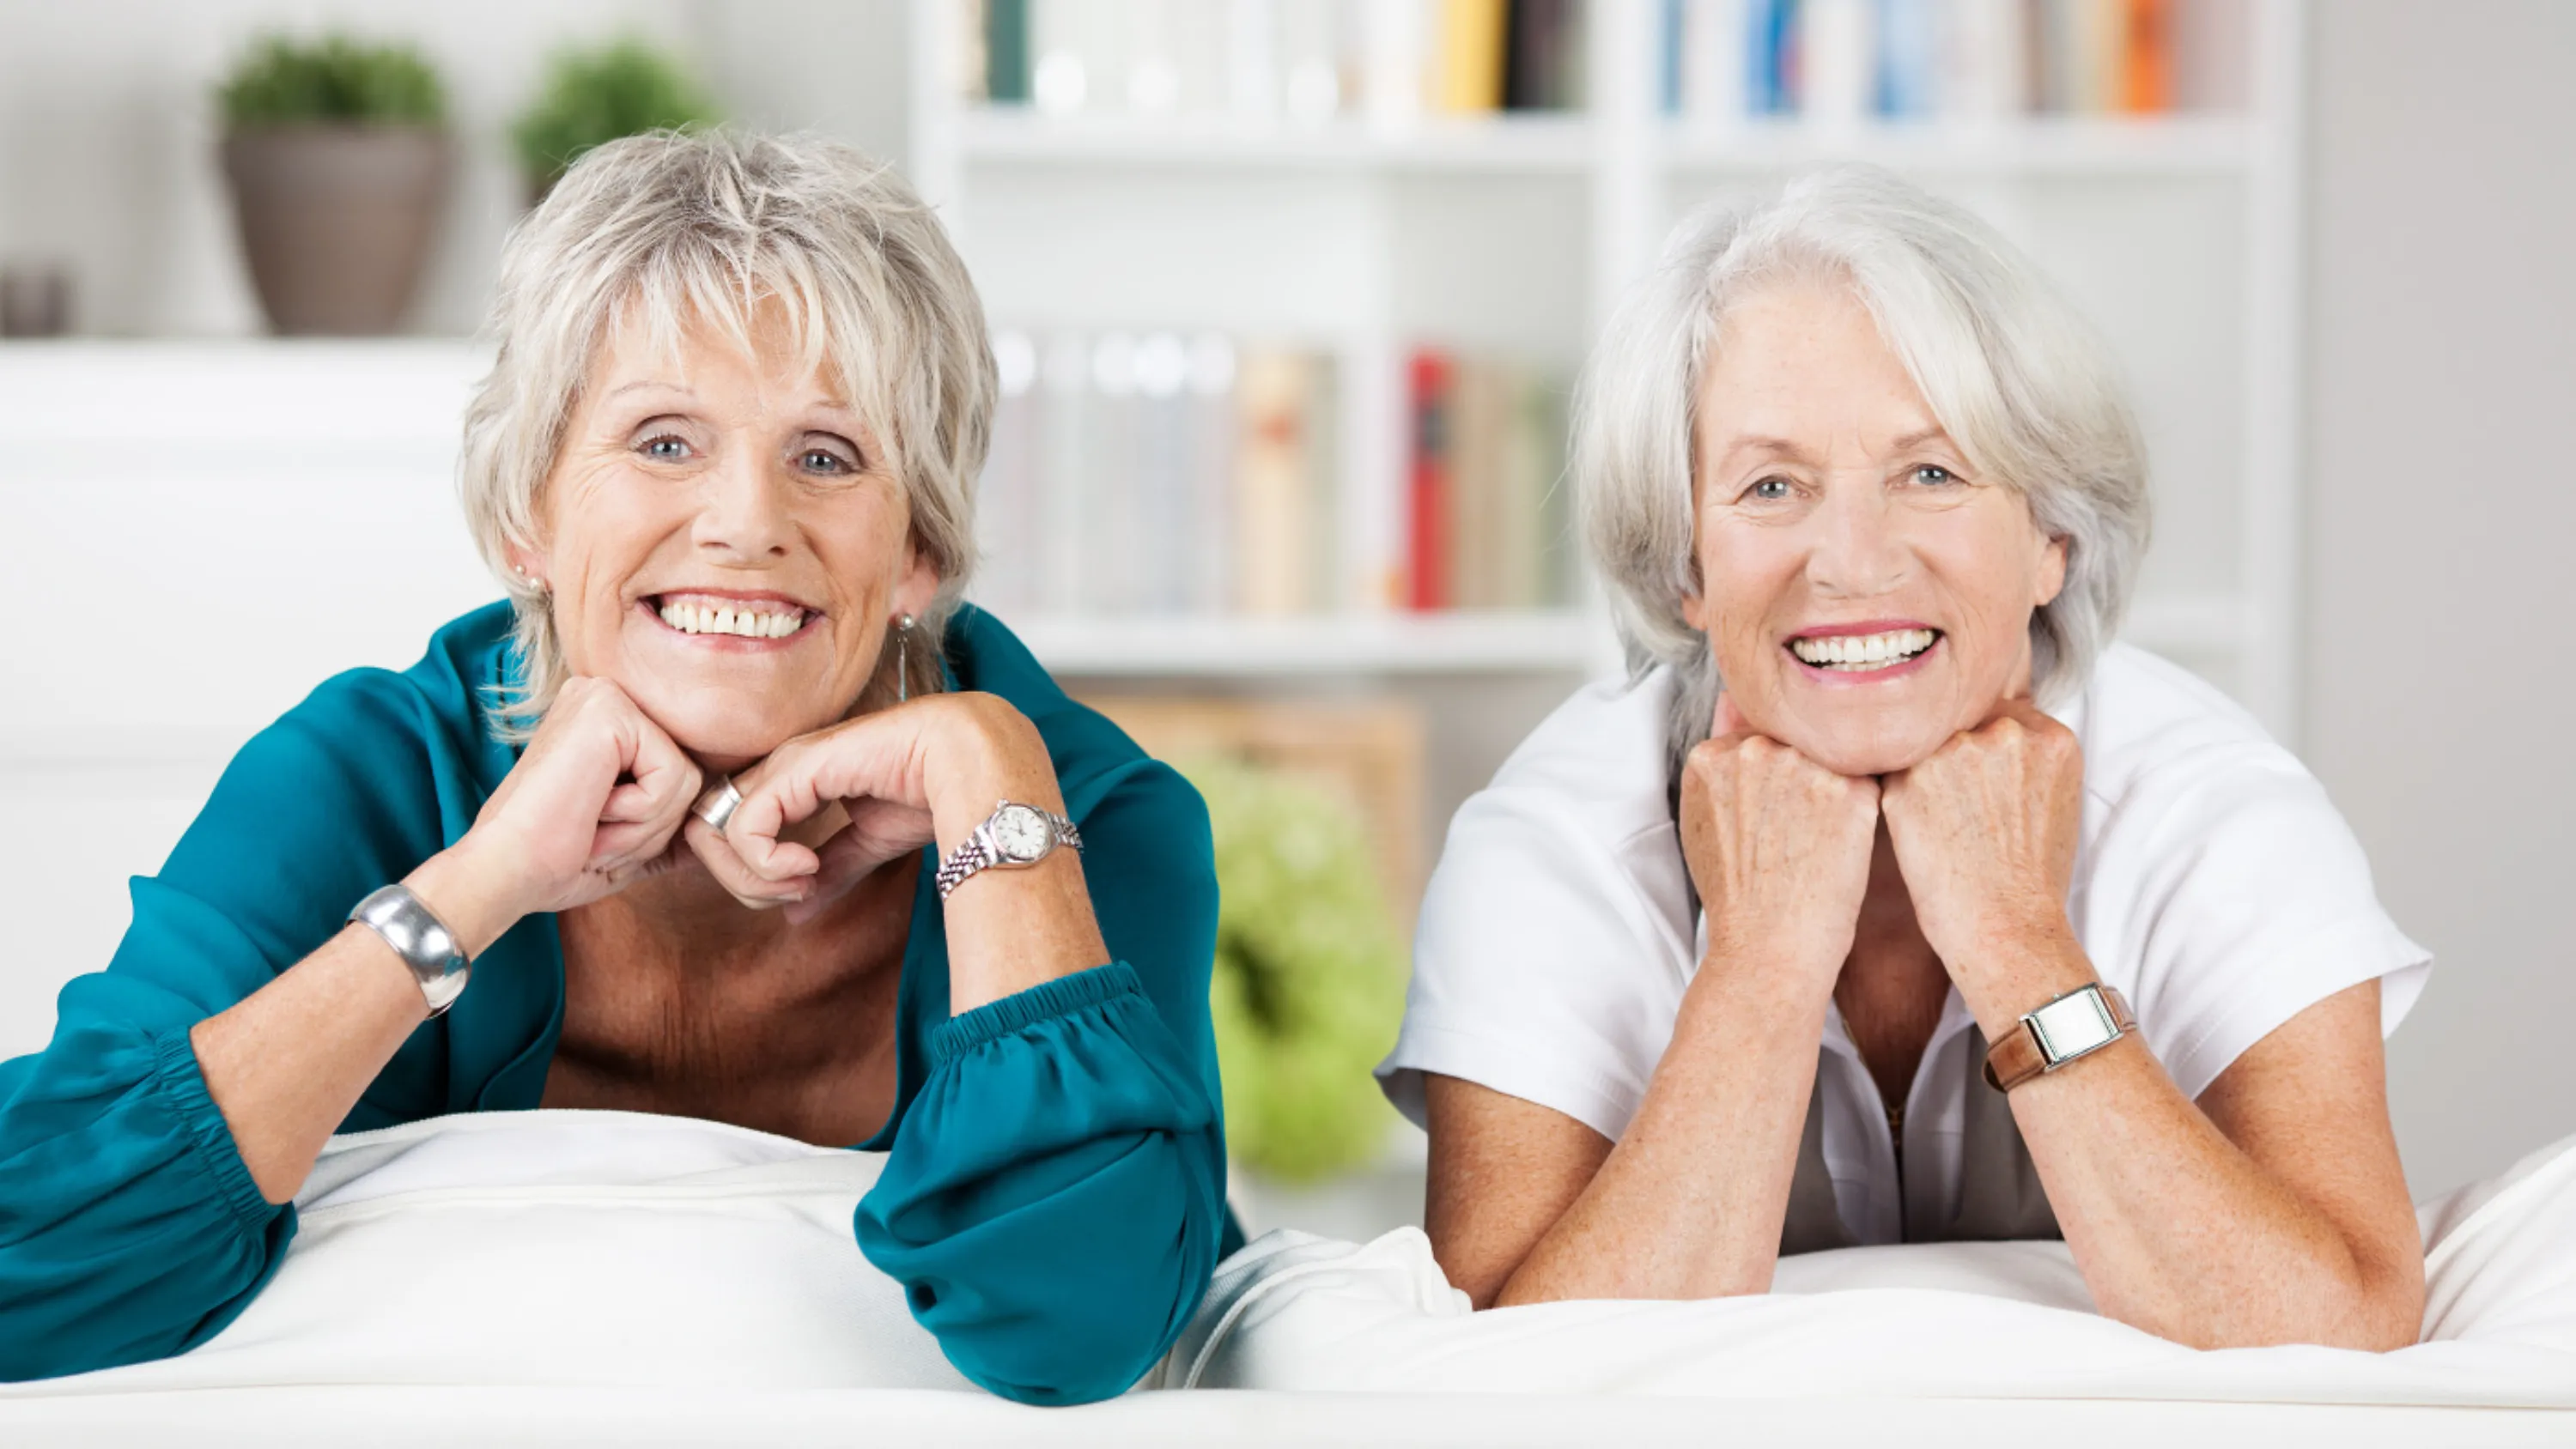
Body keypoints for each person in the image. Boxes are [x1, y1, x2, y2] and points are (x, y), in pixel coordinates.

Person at [0, 131, 1230, 1404]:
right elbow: (24, 1264)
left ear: (919, 549)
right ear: (528, 514)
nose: (747, 523)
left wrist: (989, 783)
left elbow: (1083, 1331)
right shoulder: (361, 777)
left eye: (825, 455)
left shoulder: (1076, 813)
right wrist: (475, 890)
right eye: (662, 442)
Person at [1381, 167, 2430, 1349]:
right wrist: (1764, 964)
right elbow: (1497, 1373)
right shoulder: (1553, 842)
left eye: (1930, 473)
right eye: (1771, 485)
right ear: (1686, 571)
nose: (1853, 561)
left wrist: (2016, 940)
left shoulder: (2216, 814)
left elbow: (2346, 1325)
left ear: (2051, 537)